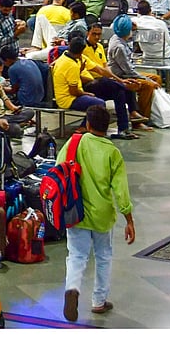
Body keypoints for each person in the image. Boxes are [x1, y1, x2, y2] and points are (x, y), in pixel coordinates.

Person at [62, 105, 135, 323]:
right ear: (108, 125)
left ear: (87, 124)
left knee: (76, 255)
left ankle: (72, 288)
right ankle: (99, 301)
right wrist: (129, 219)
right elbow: (121, 191)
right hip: (103, 215)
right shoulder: (112, 151)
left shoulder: (74, 143)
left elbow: (58, 170)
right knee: (103, 256)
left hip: (75, 212)